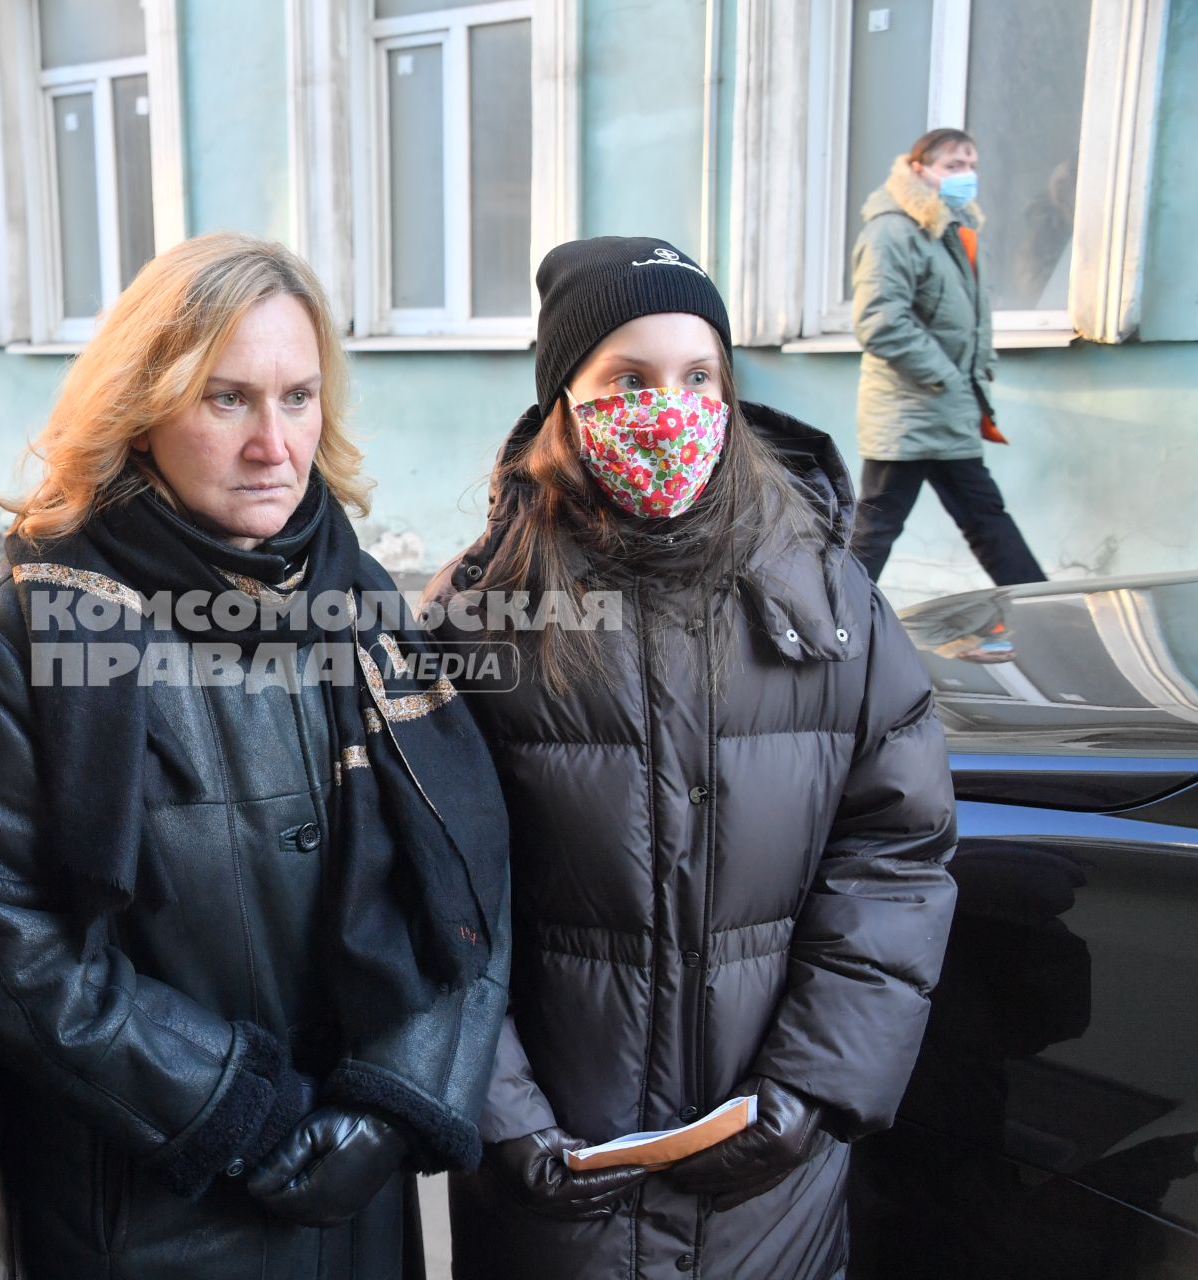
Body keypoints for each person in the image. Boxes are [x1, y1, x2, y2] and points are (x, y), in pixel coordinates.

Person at [0, 231, 511, 1278]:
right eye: (226, 398)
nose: (273, 444)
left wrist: (391, 1105)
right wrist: (237, 1108)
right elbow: (6, 944)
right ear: (141, 412)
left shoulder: (361, 596)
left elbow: (470, 874)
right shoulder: (28, 629)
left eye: (297, 397)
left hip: (353, 1208)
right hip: (146, 1215)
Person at [432, 236, 960, 1279]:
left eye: (697, 376)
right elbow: (431, 892)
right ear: (564, 404)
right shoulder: (482, 616)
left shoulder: (827, 599)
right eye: (628, 379)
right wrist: (504, 1120)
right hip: (557, 1188)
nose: (669, 407)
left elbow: (896, 851)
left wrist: (809, 1090)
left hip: (771, 1193)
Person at [849, 127, 1046, 586]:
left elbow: (965, 317)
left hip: (946, 408)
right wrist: (948, 377)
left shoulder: (950, 228)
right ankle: (827, 628)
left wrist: (968, 376)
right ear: (918, 170)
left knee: (985, 517)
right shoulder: (892, 231)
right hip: (907, 413)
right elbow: (880, 322)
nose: (966, 175)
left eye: (971, 165)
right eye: (953, 166)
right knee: (877, 529)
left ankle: (1043, 611)